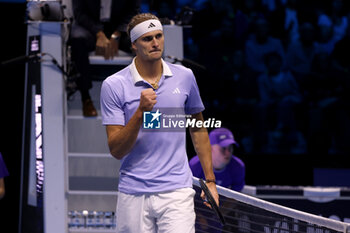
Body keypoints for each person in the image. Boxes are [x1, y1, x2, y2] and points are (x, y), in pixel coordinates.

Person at [100, 13, 219, 232]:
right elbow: (116, 149)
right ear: (134, 44)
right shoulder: (113, 85)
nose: (155, 43)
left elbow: (198, 128)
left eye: (159, 36)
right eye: (147, 39)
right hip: (133, 193)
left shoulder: (185, 76)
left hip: (177, 192)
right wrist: (139, 113)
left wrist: (210, 180)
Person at [70, 0, 141, 116]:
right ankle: (86, 97)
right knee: (77, 39)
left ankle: (140, 96)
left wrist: (117, 34)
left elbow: (133, 11)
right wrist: (99, 34)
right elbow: (79, 13)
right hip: (90, 26)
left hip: (120, 27)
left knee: (141, 41)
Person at [189, 127, 245, 192]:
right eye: (223, 148)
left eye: (230, 147)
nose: (228, 152)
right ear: (210, 148)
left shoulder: (238, 166)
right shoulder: (195, 165)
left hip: (224, 201)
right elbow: (190, 192)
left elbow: (236, 196)